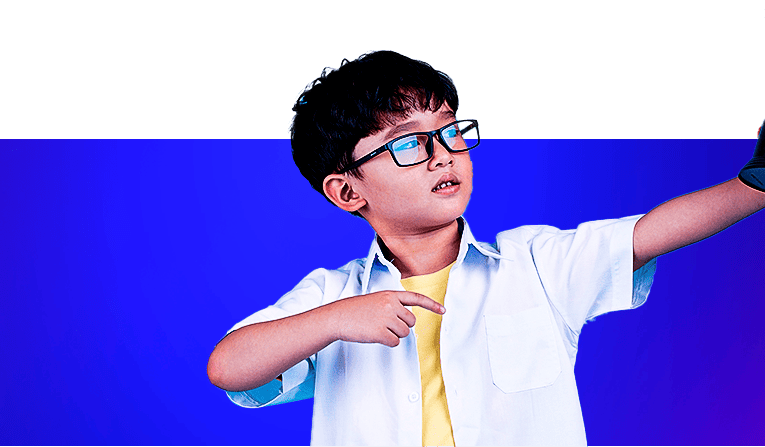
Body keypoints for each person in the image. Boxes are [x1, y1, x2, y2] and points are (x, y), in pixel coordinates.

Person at [205, 50, 765, 446]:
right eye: (408, 144)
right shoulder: (333, 295)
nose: (443, 154)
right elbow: (229, 367)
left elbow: (651, 232)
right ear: (348, 191)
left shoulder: (535, 264)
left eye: (449, 131)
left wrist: (754, 185)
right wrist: (334, 320)